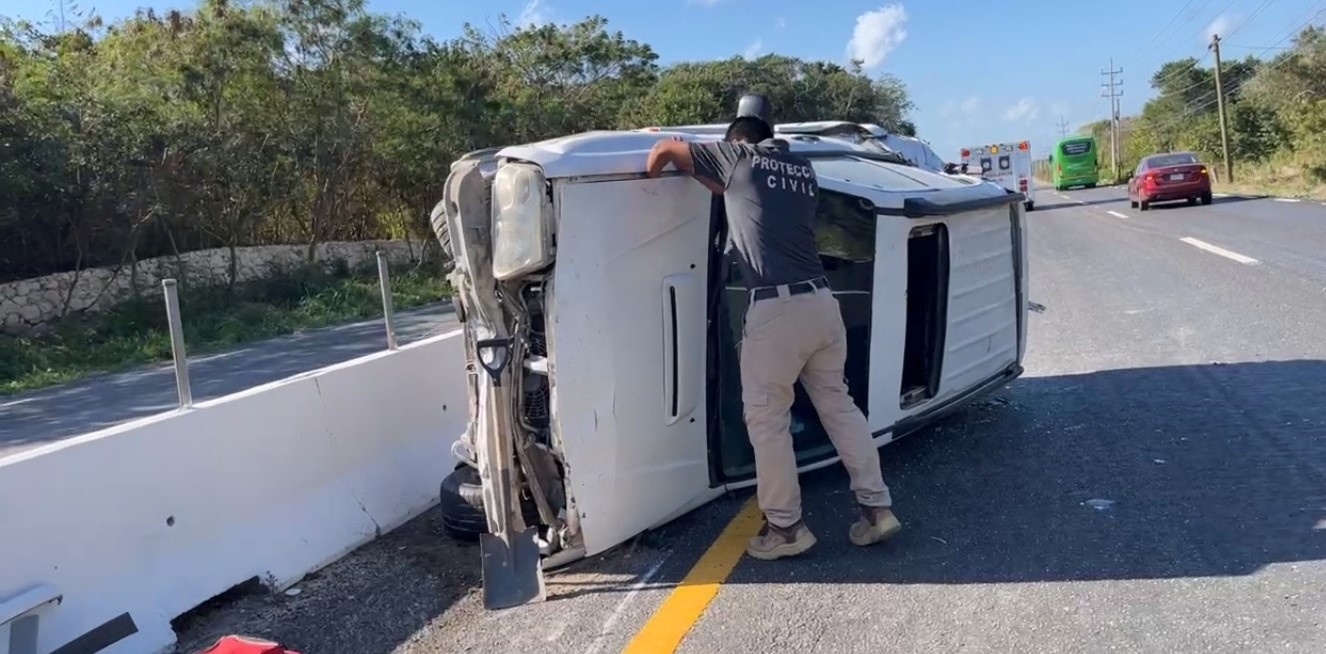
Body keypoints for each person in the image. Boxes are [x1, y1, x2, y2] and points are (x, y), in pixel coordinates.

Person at [644, 117, 902, 560]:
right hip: (822, 303)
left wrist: (649, 187)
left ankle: (785, 528)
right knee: (839, 407)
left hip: (776, 309)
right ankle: (877, 508)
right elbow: (726, 189)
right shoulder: (801, 169)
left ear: (736, 141)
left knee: (767, 420)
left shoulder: (739, 156)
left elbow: (664, 151)